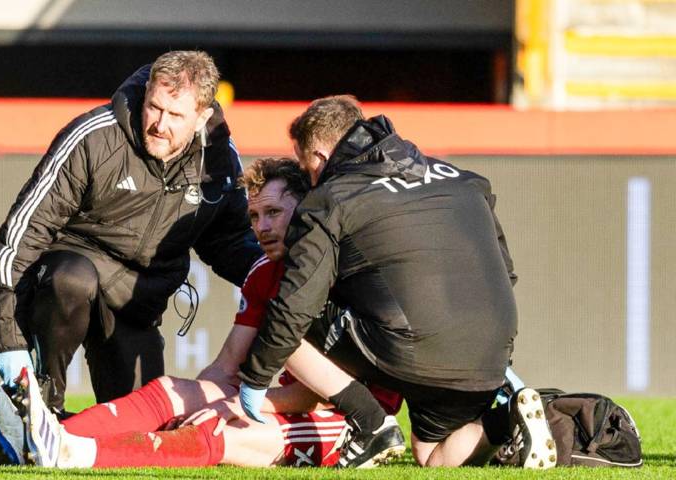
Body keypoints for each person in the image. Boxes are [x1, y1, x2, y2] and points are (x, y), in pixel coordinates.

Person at [0, 157, 404, 468]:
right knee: (174, 391)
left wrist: (230, 408)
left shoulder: (341, 267)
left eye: (274, 212)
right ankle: (35, 433)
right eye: (254, 216)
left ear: (306, 208)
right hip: (291, 398)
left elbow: (319, 392)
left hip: (348, 417)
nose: (262, 227)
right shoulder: (264, 275)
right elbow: (226, 367)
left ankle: (70, 451)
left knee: (225, 435)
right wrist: (188, 400)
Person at [0, 50, 262, 463]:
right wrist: (10, 344)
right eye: (154, 107)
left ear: (202, 118)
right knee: (71, 279)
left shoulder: (219, 159)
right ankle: (38, 400)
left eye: (175, 115)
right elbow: (18, 239)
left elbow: (229, 239)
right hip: (70, 273)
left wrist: (270, 278)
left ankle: (11, 424)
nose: (159, 124)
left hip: (137, 304)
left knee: (138, 430)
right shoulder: (95, 136)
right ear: (145, 94)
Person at [237, 96, 557, 469]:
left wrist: (255, 380)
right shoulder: (462, 180)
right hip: (494, 350)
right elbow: (506, 271)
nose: (311, 181)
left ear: (321, 158)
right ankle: (504, 421)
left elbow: (297, 303)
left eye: (308, 170)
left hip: (411, 346)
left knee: (286, 318)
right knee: (431, 458)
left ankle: (370, 423)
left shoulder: (331, 198)